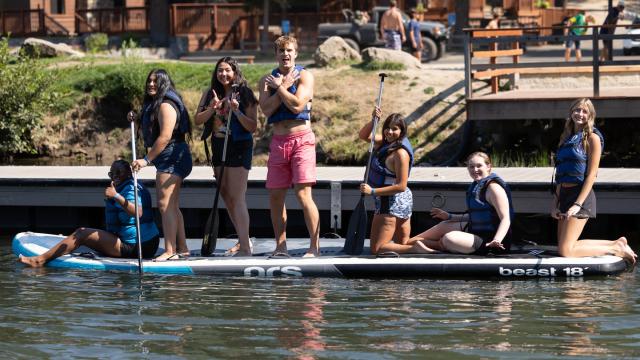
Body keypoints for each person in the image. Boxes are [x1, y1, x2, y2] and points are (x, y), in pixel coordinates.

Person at [18, 160, 160, 267]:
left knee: (81, 233)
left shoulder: (129, 189)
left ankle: (39, 260)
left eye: (119, 173)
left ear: (129, 174)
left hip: (137, 246)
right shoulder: (131, 184)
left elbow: (137, 212)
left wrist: (116, 196)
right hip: (149, 243)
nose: (114, 177)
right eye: (112, 173)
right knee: (93, 236)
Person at [551, 98, 636, 263]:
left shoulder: (592, 138)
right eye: (577, 110)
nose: (580, 114)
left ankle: (615, 248)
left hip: (580, 196)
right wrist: (555, 203)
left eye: (584, 111)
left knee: (566, 250)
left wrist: (577, 204)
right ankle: (615, 244)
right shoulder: (567, 137)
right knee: (563, 247)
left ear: (590, 115)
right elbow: (561, 174)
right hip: (564, 195)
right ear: (571, 112)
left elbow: (591, 175)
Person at [258, 36, 320, 257]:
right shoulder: (266, 80)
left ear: (296, 53)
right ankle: (281, 247)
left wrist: (281, 89)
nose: (286, 54)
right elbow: (265, 110)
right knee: (275, 197)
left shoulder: (305, 75)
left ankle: (314, 247)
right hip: (278, 141)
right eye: (281, 50)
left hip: (301, 138)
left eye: (290, 50)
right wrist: (280, 86)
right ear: (276, 54)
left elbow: (296, 106)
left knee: (304, 195)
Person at [195, 57, 258, 257]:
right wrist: (212, 109)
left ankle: (246, 249)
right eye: (220, 70)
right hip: (218, 145)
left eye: (228, 70)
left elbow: (253, 127)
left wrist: (237, 111)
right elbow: (197, 120)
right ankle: (243, 240)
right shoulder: (209, 94)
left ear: (235, 72)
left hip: (239, 146)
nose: (223, 74)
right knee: (227, 195)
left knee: (237, 197)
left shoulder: (245, 94)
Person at [131, 69, 193, 262]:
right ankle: (181, 248)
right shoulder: (156, 104)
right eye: (149, 81)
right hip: (169, 157)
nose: (151, 84)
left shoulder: (166, 105)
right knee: (172, 205)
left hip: (172, 157)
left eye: (156, 82)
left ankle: (170, 250)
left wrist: (145, 160)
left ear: (164, 84)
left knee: (165, 205)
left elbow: (165, 137)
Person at [407, 152, 514, 255]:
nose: (475, 170)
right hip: (476, 231)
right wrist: (449, 216)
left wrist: (497, 240)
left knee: (450, 238)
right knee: (444, 225)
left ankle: (426, 246)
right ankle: (408, 242)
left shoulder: (494, 188)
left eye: (479, 166)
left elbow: (506, 218)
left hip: (491, 242)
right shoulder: (477, 186)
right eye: (471, 167)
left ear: (488, 167)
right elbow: (476, 216)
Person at [358, 108, 425, 255]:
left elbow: (401, 186)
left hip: (390, 201)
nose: (389, 132)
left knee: (377, 249)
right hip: (402, 200)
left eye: (394, 129)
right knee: (402, 243)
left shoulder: (400, 153)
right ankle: (439, 245)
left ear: (402, 131)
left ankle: (416, 249)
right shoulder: (385, 143)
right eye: (387, 128)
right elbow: (363, 136)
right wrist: (374, 120)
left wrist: (372, 191)